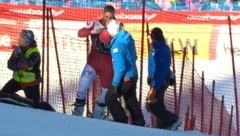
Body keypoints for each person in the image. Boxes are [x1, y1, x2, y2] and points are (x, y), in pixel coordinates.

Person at [72, 5, 115, 119]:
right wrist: (94, 30)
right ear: (103, 14)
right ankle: (78, 111)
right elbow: (80, 33)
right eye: (106, 17)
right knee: (82, 86)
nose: (108, 20)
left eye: (110, 17)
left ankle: (98, 113)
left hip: (108, 64)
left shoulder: (117, 26)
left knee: (106, 91)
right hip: (93, 61)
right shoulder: (95, 23)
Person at [100, 19, 145, 126]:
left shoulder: (117, 46)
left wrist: (115, 85)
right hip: (133, 73)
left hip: (126, 77)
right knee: (130, 98)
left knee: (109, 97)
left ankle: (121, 121)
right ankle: (139, 120)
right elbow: (134, 55)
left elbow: (120, 68)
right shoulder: (127, 36)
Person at [145, 27, 181, 130]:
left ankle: (173, 120)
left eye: (150, 36)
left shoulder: (161, 50)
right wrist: (150, 76)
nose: (148, 38)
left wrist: (154, 87)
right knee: (157, 104)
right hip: (156, 80)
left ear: (154, 38)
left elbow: (162, 69)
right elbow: (154, 66)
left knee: (151, 105)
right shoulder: (155, 47)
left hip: (160, 81)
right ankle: (163, 125)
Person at [1, 29, 41, 108]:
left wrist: (19, 56)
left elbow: (26, 65)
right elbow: (10, 64)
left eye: (21, 38)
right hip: (17, 81)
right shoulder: (18, 49)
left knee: (35, 107)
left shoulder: (35, 53)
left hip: (31, 83)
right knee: (3, 94)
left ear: (27, 41)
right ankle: (18, 101)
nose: (19, 39)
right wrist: (19, 66)